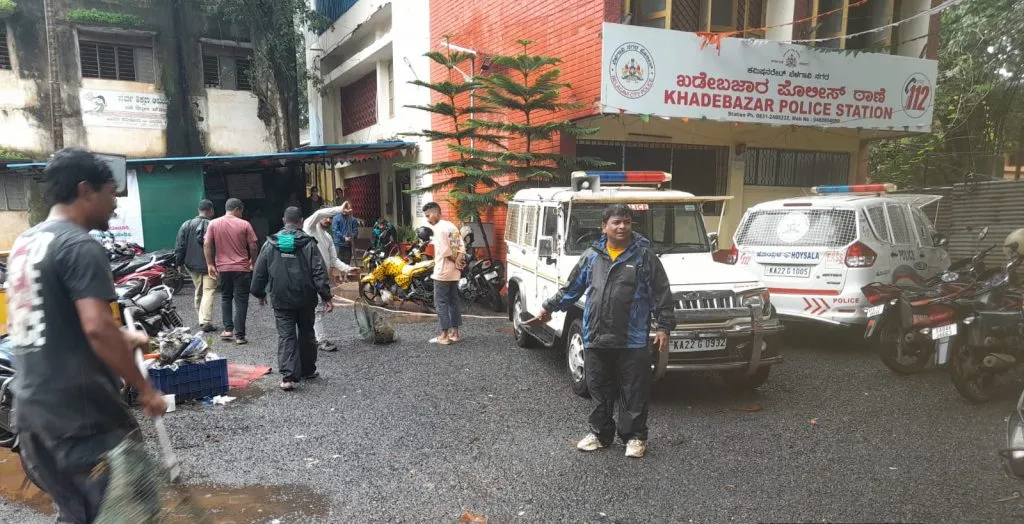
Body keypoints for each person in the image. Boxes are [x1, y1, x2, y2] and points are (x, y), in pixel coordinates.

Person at [7, 148, 167, 522]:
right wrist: (145, 390)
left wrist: (124, 339)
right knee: (126, 513)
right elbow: (96, 328)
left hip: (32, 417)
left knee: (76, 514)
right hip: (80, 419)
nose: (115, 205)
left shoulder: (25, 243)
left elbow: (59, 326)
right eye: (112, 193)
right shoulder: (79, 244)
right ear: (85, 190)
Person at [531, 204, 674, 458]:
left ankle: (635, 437)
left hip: (633, 340)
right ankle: (600, 434)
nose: (622, 227)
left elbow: (661, 293)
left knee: (634, 391)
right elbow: (572, 289)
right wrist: (548, 308)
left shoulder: (644, 257)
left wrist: (664, 327)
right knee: (599, 389)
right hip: (596, 337)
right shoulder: (592, 256)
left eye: (627, 222)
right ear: (604, 226)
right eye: (617, 222)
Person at [251, 207, 335, 391]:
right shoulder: (308, 244)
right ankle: (307, 370)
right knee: (306, 332)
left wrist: (259, 292)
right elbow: (319, 271)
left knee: (286, 335)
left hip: (281, 298)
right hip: (305, 298)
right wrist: (326, 296)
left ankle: (288, 377)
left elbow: (259, 271)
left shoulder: (271, 244)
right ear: (300, 221)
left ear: (283, 220)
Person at [303, 203, 360, 351]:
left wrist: (348, 269)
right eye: (326, 217)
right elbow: (318, 214)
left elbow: (333, 260)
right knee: (316, 309)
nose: (328, 220)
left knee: (317, 310)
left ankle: (312, 338)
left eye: (330, 218)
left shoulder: (328, 237)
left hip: (321, 278)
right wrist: (340, 210)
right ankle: (320, 340)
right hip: (308, 276)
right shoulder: (309, 228)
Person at [204, 197, 258, 345]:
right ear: (238, 209)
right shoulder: (245, 224)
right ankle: (240, 336)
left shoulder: (213, 224)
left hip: (223, 267)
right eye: (242, 210)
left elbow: (207, 244)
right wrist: (253, 261)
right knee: (241, 301)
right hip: (242, 268)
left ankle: (228, 329)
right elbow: (253, 246)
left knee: (226, 297)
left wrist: (210, 264)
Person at [422, 202, 465, 345]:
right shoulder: (451, 226)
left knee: (440, 303)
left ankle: (444, 335)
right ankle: (455, 333)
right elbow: (461, 246)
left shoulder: (439, 229)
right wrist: (458, 261)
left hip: (442, 271)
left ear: (435, 212)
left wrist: (454, 260)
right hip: (454, 272)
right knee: (454, 301)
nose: (428, 219)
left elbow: (446, 252)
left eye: (428, 215)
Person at [175, 199, 218, 332]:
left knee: (198, 290)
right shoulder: (213, 225)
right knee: (208, 291)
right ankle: (206, 321)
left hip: (192, 266)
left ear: (198, 210)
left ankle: (201, 320)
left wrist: (179, 263)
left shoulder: (186, 225)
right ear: (210, 210)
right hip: (210, 265)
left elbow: (180, 246)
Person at [331, 200, 360, 265]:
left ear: (350, 209)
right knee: (338, 262)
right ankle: (340, 275)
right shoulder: (336, 218)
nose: (346, 210)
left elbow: (355, 231)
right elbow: (335, 230)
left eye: (348, 208)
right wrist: (344, 237)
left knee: (347, 262)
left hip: (348, 244)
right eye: (345, 208)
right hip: (338, 244)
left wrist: (350, 237)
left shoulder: (353, 219)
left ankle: (345, 275)